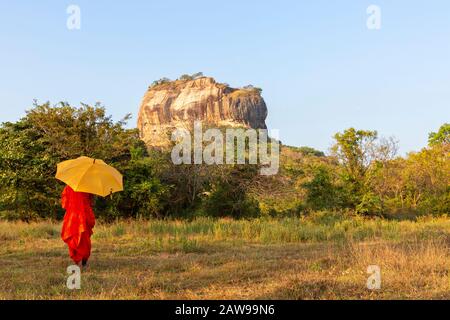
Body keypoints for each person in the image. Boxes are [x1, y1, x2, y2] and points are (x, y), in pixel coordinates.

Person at [61, 185, 96, 268]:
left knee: (74, 237)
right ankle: (84, 261)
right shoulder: (88, 187)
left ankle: (77, 260)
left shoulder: (68, 188)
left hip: (73, 216)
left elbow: (64, 205)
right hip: (84, 215)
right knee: (85, 239)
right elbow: (91, 202)